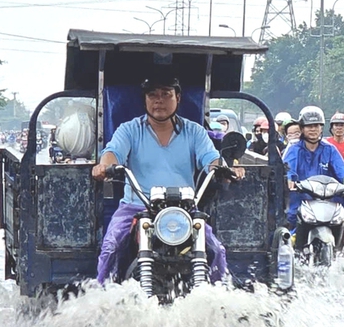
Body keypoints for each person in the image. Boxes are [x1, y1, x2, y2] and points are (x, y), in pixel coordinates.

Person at [91, 73, 242, 285]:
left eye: (166, 94)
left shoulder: (194, 132)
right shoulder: (130, 129)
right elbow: (113, 151)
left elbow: (211, 159)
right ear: (145, 100)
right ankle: (103, 298)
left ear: (178, 98)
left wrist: (224, 169)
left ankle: (220, 300)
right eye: (152, 95)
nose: (158, 100)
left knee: (216, 250)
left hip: (185, 210)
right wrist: (105, 166)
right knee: (111, 247)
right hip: (137, 207)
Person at [283, 107, 344, 249]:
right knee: (287, 227)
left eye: (316, 126)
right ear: (302, 129)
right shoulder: (294, 149)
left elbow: (342, 171)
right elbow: (288, 169)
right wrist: (290, 181)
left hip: (328, 199)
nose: (313, 129)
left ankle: (339, 252)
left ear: (322, 128)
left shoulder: (330, 149)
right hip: (300, 199)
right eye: (309, 126)